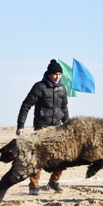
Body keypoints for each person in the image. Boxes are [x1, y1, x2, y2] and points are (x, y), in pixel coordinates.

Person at [17, 59, 69, 196]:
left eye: (59, 74)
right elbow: (26, 105)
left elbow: (64, 108)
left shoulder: (62, 88)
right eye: (54, 74)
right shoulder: (39, 87)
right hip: (42, 126)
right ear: (48, 74)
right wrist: (20, 125)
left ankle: (54, 182)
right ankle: (34, 186)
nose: (57, 76)